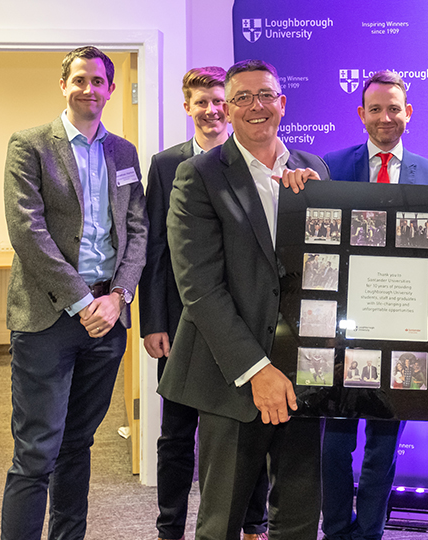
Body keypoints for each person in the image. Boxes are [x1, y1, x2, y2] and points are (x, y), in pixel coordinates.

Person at [157, 59, 330, 540]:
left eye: (266, 96)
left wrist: (324, 209)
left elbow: (327, 269)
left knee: (298, 515)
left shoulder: (313, 168)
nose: (257, 107)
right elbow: (199, 288)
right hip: (230, 374)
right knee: (222, 518)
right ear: (228, 110)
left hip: (302, 372)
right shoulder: (199, 175)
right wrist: (257, 371)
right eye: (243, 98)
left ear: (283, 103)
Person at [0, 45, 147, 539]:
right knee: (37, 449)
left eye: (98, 81)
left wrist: (119, 296)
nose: (90, 89)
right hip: (48, 319)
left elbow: (137, 230)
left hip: (109, 319)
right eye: (79, 80)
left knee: (77, 443)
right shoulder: (30, 144)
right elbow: (27, 231)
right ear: (63, 85)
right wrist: (85, 303)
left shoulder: (123, 152)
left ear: (109, 88)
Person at [138, 66, 271, 540]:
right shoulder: (166, 164)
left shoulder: (274, 165)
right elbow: (156, 249)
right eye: (203, 102)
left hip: (250, 332)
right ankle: (170, 526)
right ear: (188, 106)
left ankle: (253, 523)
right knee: (176, 435)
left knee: (251, 430)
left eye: (219, 101)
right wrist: (153, 321)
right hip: (184, 329)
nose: (212, 110)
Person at [320, 74, 428, 540]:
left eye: (394, 108)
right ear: (361, 114)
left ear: (409, 113)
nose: (385, 117)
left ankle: (370, 530)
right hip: (342, 329)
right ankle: (336, 528)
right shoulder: (331, 165)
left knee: (384, 444)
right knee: (334, 444)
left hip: (399, 326)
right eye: (375, 109)